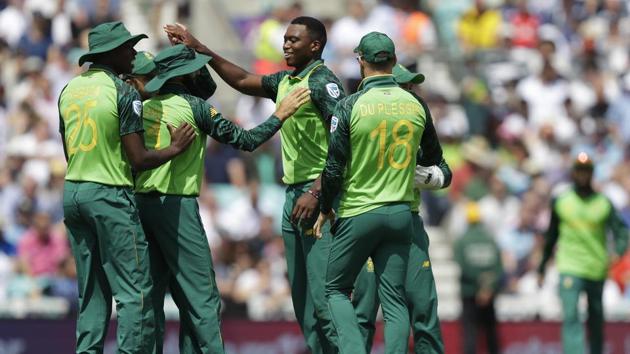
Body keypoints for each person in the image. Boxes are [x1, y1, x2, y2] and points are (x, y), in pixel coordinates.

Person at [164, 16, 345, 353]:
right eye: (286, 39)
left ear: (315, 45)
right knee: (303, 300)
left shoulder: (322, 83)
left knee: (324, 296)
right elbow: (244, 79)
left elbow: (345, 143)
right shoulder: (289, 81)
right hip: (294, 193)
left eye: (294, 40)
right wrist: (199, 47)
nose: (286, 44)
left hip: (318, 194)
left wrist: (317, 191)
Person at [135, 44, 310, 354]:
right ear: (186, 73)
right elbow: (246, 140)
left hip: (139, 209)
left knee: (150, 301)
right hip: (176, 209)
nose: (203, 72)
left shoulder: (142, 108)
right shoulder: (194, 107)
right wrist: (280, 114)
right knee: (203, 300)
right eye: (198, 67)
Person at [58, 21, 196, 353]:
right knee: (136, 291)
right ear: (112, 54)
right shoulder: (123, 92)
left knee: (91, 292)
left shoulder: (69, 89)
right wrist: (174, 149)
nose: (133, 54)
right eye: (128, 48)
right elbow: (138, 159)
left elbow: (69, 150)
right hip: (110, 195)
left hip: (74, 192)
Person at [313, 32, 425, 354]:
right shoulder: (415, 104)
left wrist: (324, 208)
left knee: (334, 289)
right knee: (394, 300)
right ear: (393, 61)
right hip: (402, 212)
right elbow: (434, 159)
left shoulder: (350, 105)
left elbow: (333, 167)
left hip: (360, 211)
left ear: (361, 61)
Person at [351, 63, 451, 354]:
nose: (411, 91)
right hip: (366, 217)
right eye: (405, 85)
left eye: (411, 86)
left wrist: (425, 175)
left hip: (409, 220)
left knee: (424, 305)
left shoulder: (415, 122)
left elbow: (444, 170)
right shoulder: (362, 120)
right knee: (364, 310)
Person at [538, 152, 629, 354]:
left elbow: (622, 231)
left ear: (592, 173)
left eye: (586, 171)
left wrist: (618, 252)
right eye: (579, 170)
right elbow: (551, 236)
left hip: (596, 267)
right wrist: (542, 266)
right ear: (573, 172)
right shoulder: (562, 202)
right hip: (570, 266)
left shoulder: (603, 203)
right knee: (570, 316)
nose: (582, 175)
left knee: (596, 319)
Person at [454, 202, 502, 354]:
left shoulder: (461, 241)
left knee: (470, 334)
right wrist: (487, 288)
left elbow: (463, 266)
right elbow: (499, 267)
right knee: (491, 334)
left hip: (469, 293)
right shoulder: (491, 240)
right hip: (488, 294)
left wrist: (479, 286)